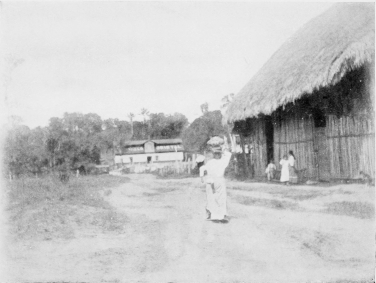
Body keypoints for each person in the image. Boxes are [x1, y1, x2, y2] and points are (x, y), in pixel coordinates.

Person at [200, 136, 232, 221]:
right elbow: (202, 169)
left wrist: (202, 178)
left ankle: (220, 214)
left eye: (218, 154)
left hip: (217, 180)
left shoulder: (219, 162)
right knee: (213, 197)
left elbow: (227, 155)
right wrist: (203, 178)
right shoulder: (214, 162)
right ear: (214, 154)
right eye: (216, 154)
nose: (217, 155)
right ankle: (212, 213)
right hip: (213, 181)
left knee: (219, 197)